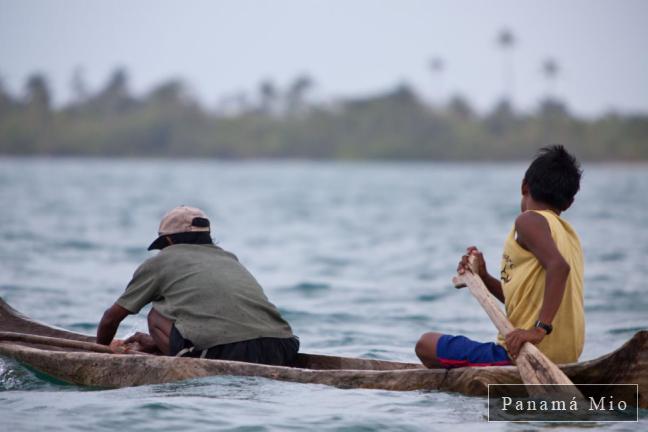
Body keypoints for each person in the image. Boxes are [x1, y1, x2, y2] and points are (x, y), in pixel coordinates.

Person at [416, 145, 584, 368]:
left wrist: (539, 330)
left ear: (524, 185)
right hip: (566, 359)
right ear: (569, 203)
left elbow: (558, 268)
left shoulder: (528, 221)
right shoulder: (568, 234)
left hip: (521, 354)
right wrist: (483, 277)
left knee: (425, 344)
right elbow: (524, 301)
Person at [96, 206, 299, 366]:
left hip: (228, 351)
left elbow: (110, 319)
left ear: (167, 240)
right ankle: (174, 348)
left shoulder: (161, 261)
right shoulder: (228, 257)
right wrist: (155, 342)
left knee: (156, 315)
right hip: (282, 346)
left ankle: (182, 354)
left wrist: (100, 353)